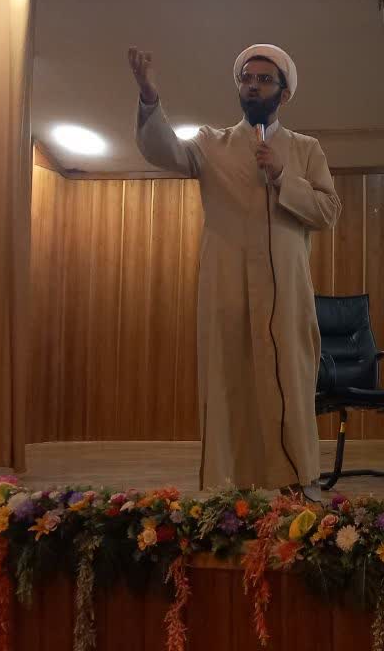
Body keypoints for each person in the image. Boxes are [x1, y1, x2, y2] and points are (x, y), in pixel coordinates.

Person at [127, 44, 341, 498]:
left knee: (289, 382)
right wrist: (149, 98)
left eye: (264, 79)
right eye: (247, 78)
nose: (253, 86)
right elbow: (164, 151)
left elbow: (328, 212)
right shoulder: (211, 143)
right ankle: (230, 495)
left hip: (286, 295)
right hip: (226, 288)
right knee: (228, 383)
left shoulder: (306, 149)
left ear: (284, 93)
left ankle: (297, 488)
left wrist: (283, 175)